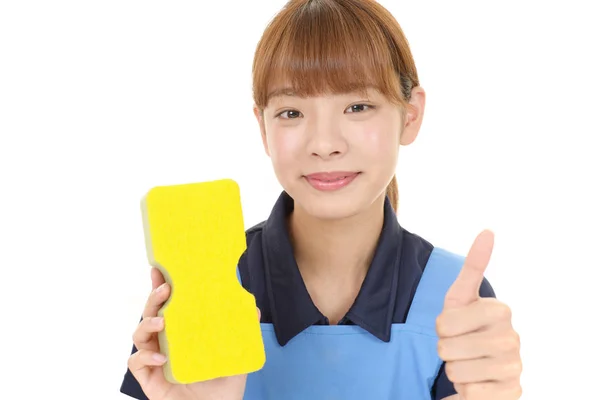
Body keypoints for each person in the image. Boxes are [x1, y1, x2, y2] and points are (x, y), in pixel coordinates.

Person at [120, 0, 523, 399]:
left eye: (357, 106)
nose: (325, 144)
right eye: (292, 113)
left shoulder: (453, 301)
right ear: (262, 128)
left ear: (411, 115)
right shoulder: (199, 288)